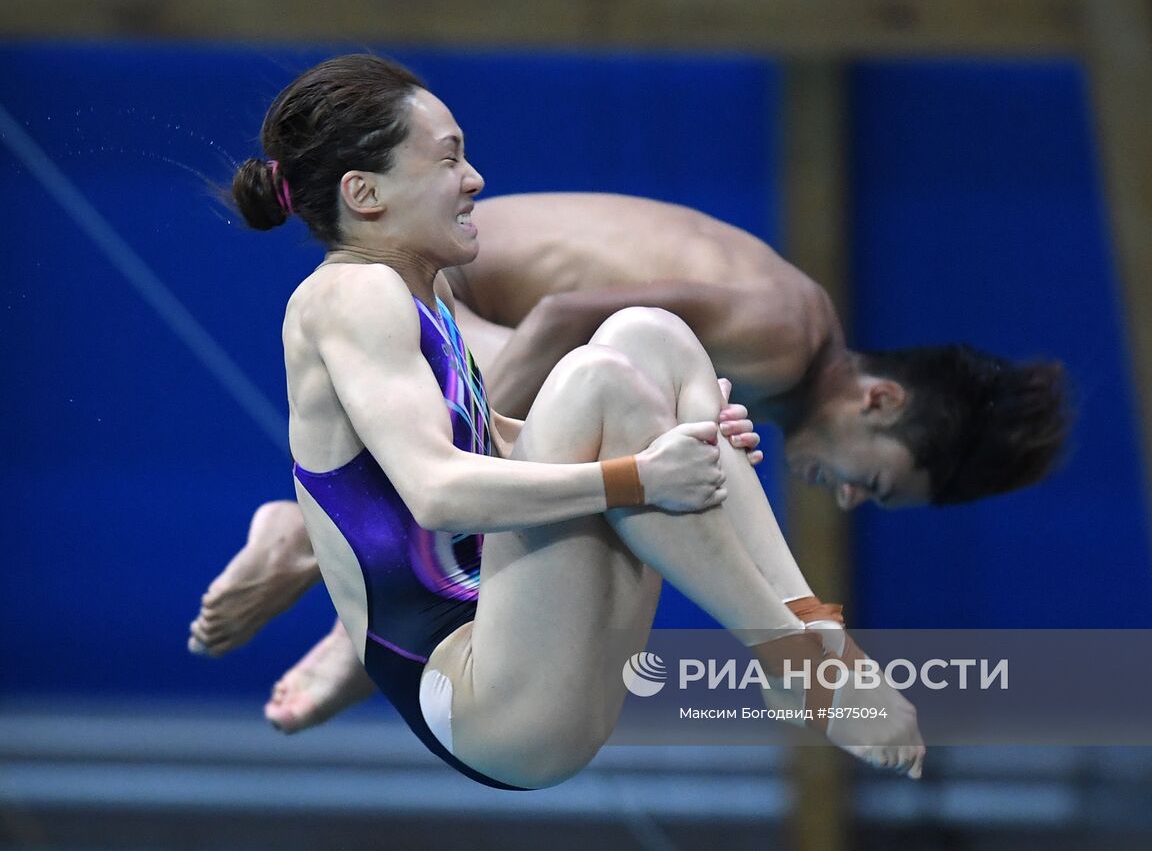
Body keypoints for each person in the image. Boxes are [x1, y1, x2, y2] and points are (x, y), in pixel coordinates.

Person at [222, 52, 924, 788]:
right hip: (478, 697)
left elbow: (490, 445)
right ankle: (792, 661)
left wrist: (675, 432)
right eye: (448, 159)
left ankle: (811, 633)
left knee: (649, 335)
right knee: (599, 380)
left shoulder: (422, 294)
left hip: (531, 652)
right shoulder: (349, 295)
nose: (474, 180)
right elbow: (435, 491)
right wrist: (641, 473)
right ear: (365, 193)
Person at [191, 203, 1069, 736]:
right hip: (438, 293)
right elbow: (565, 318)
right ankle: (309, 539)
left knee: (612, 445)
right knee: (590, 423)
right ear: (878, 401)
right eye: (868, 482)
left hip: (468, 305)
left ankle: (353, 595)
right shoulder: (786, 338)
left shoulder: (794, 345)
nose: (842, 496)